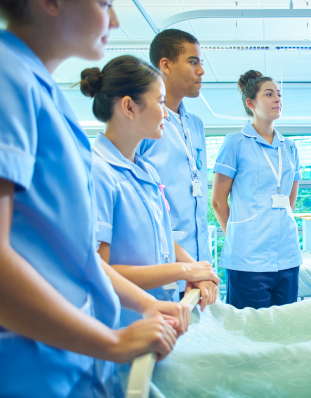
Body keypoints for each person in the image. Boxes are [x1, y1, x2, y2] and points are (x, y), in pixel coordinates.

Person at [0, 2, 188, 398]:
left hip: (72, 362)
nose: (114, 19)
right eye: (105, 4)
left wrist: (149, 306)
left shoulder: (38, 89)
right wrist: (111, 342)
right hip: (29, 370)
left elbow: (74, 254)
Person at [80, 55, 220, 327]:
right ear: (129, 107)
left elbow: (166, 238)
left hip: (157, 319)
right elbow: (99, 270)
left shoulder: (146, 170)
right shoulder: (98, 172)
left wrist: (197, 270)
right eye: (159, 102)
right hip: (123, 325)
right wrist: (184, 270)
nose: (166, 113)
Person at [211, 70, 302, 310]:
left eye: (279, 95)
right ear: (251, 103)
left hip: (288, 255)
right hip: (247, 259)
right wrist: (240, 236)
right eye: (269, 94)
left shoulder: (290, 148)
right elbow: (218, 202)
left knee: (283, 328)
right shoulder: (235, 143)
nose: (277, 100)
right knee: (248, 333)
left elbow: (290, 202)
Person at [138, 29, 210, 300]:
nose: (201, 71)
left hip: (198, 262)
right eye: (193, 62)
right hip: (162, 262)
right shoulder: (144, 122)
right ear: (165, 65)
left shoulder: (196, 125)